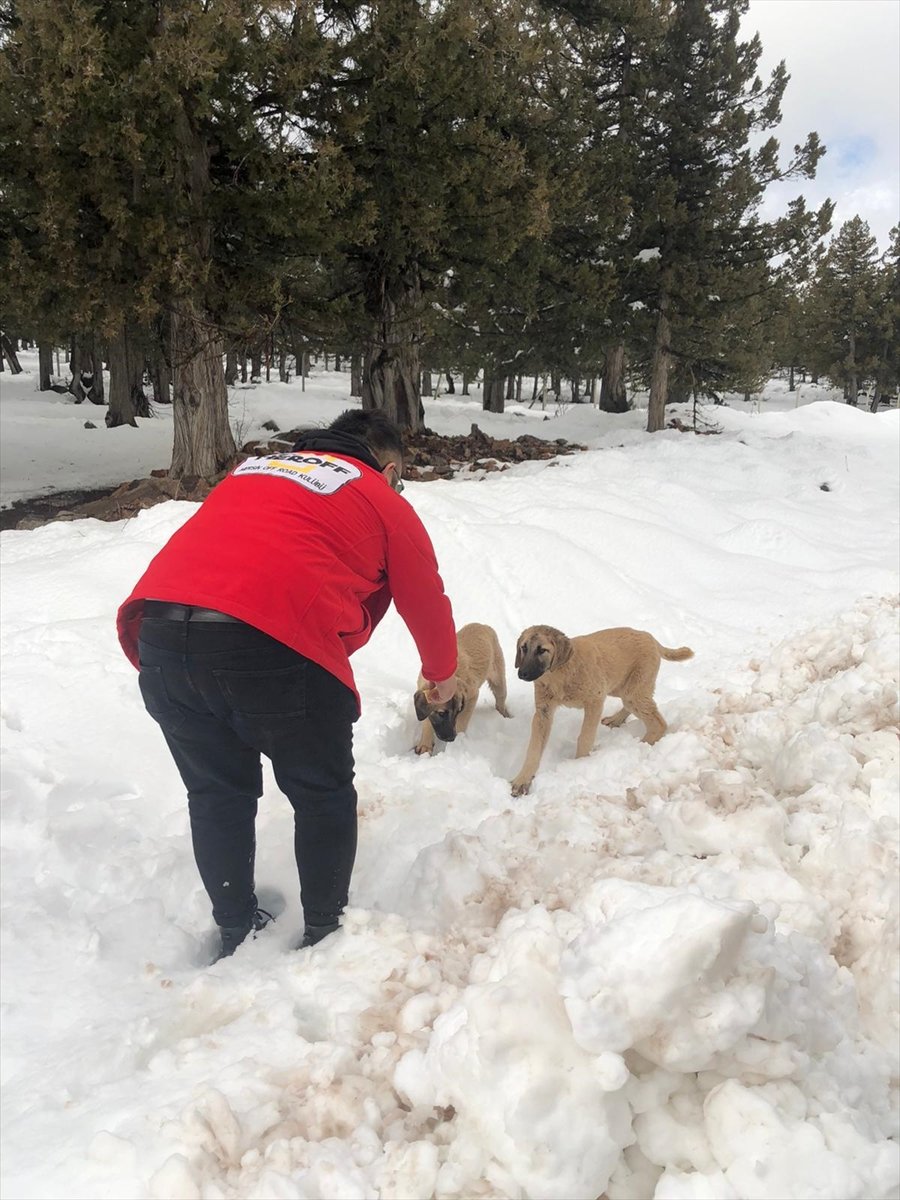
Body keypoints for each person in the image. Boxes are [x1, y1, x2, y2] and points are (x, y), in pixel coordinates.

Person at [117, 409, 458, 960]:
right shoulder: (379, 496)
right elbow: (425, 596)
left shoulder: (257, 470)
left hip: (161, 635)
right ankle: (325, 933)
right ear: (390, 467)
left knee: (216, 794)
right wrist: (441, 674)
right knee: (321, 794)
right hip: (273, 643)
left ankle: (234, 927)